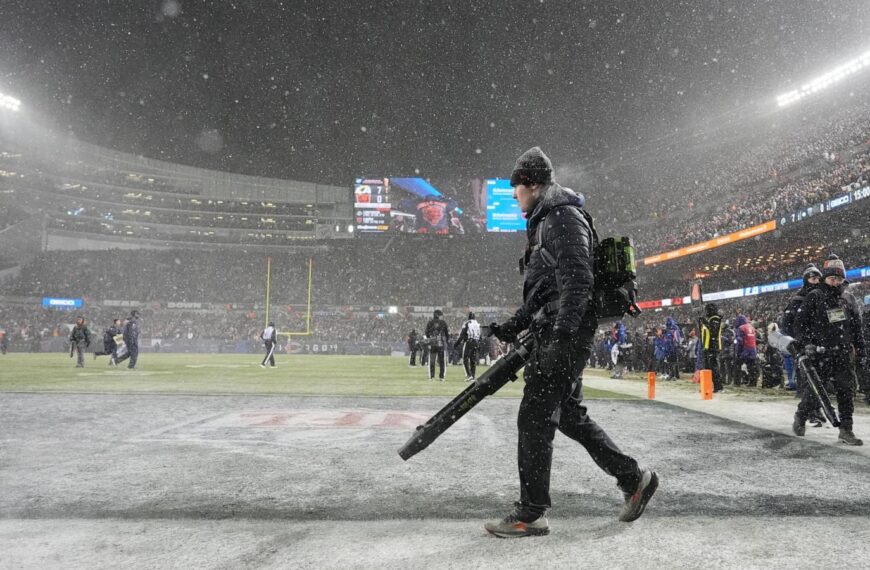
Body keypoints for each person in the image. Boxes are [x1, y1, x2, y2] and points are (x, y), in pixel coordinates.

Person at [486, 147, 657, 538]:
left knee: (534, 417)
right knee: (567, 414)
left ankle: (530, 514)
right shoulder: (548, 219)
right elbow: (545, 293)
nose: (515, 200)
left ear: (531, 185)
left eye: (517, 192)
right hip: (561, 331)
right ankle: (634, 479)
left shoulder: (562, 217)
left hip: (566, 335)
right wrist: (512, 327)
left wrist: (562, 334)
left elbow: (578, 280)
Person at [792, 255, 868, 445]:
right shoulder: (815, 296)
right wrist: (807, 343)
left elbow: (857, 329)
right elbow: (800, 325)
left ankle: (846, 430)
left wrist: (861, 351)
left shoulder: (848, 299)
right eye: (832, 279)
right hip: (821, 353)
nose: (836, 283)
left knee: (846, 391)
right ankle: (801, 415)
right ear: (825, 278)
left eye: (839, 279)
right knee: (817, 392)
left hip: (843, 353)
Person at [698, 303, 724, 392]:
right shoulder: (711, 319)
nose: (706, 312)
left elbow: (713, 332)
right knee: (708, 368)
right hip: (708, 347)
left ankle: (718, 387)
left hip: (712, 347)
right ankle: (708, 386)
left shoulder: (715, 319)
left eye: (707, 310)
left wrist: (704, 322)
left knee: (714, 368)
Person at [455, 312, 482, 381]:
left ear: (469, 317)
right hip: (476, 342)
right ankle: (473, 375)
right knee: (473, 360)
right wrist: (479, 344)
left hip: (469, 342)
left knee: (465, 358)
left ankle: (469, 375)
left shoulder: (467, 323)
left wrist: (457, 344)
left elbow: (462, 335)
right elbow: (480, 336)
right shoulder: (477, 324)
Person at [424, 309, 449, 380]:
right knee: (442, 361)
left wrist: (429, 339)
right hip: (440, 344)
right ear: (439, 315)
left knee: (432, 361)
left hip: (433, 344)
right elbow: (447, 334)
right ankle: (441, 377)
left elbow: (426, 333)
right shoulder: (443, 322)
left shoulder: (430, 322)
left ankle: (432, 376)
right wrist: (446, 341)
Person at [734, 314, 758, 386]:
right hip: (753, 350)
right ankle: (753, 383)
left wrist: (738, 352)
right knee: (751, 367)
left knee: (737, 365)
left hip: (745, 350)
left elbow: (740, 341)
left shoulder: (741, 328)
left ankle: (737, 382)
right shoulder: (752, 327)